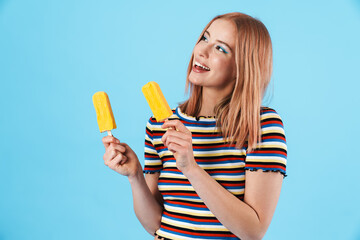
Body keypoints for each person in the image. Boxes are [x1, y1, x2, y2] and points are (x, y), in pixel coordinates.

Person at [101, 12, 287, 240]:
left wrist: (191, 168)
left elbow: (253, 231)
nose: (202, 51)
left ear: (242, 67)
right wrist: (135, 176)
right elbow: (155, 225)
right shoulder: (160, 125)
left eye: (221, 48)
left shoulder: (261, 127)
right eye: (204, 38)